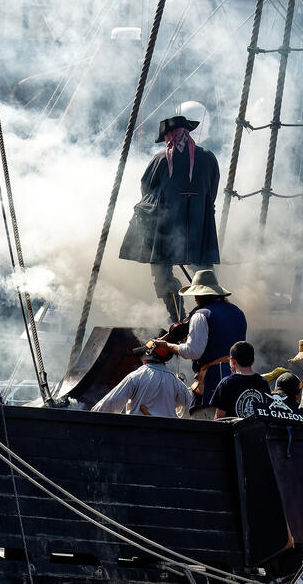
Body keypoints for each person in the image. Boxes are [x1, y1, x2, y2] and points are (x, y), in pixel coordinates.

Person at [118, 109, 221, 323]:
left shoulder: (161, 159)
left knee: (162, 271)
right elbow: (212, 191)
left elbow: (146, 188)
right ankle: (214, 312)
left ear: (169, 136)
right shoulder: (208, 157)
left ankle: (178, 318)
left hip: (165, 227)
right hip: (199, 225)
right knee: (203, 271)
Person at [166, 270, 246, 405]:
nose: (195, 298)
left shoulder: (201, 315)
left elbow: (193, 352)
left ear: (201, 295)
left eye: (196, 294)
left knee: (209, 416)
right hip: (238, 376)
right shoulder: (238, 312)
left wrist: (169, 346)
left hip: (215, 377)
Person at [92, 340, 191, 418]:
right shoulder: (176, 383)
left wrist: (93, 417)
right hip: (167, 435)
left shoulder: (136, 377)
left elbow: (110, 404)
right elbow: (189, 408)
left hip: (137, 432)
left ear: (146, 358)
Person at [202, 341, 270, 419]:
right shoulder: (263, 382)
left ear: (233, 361)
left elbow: (219, 418)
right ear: (253, 361)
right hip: (259, 427)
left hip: (234, 427)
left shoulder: (226, 383)